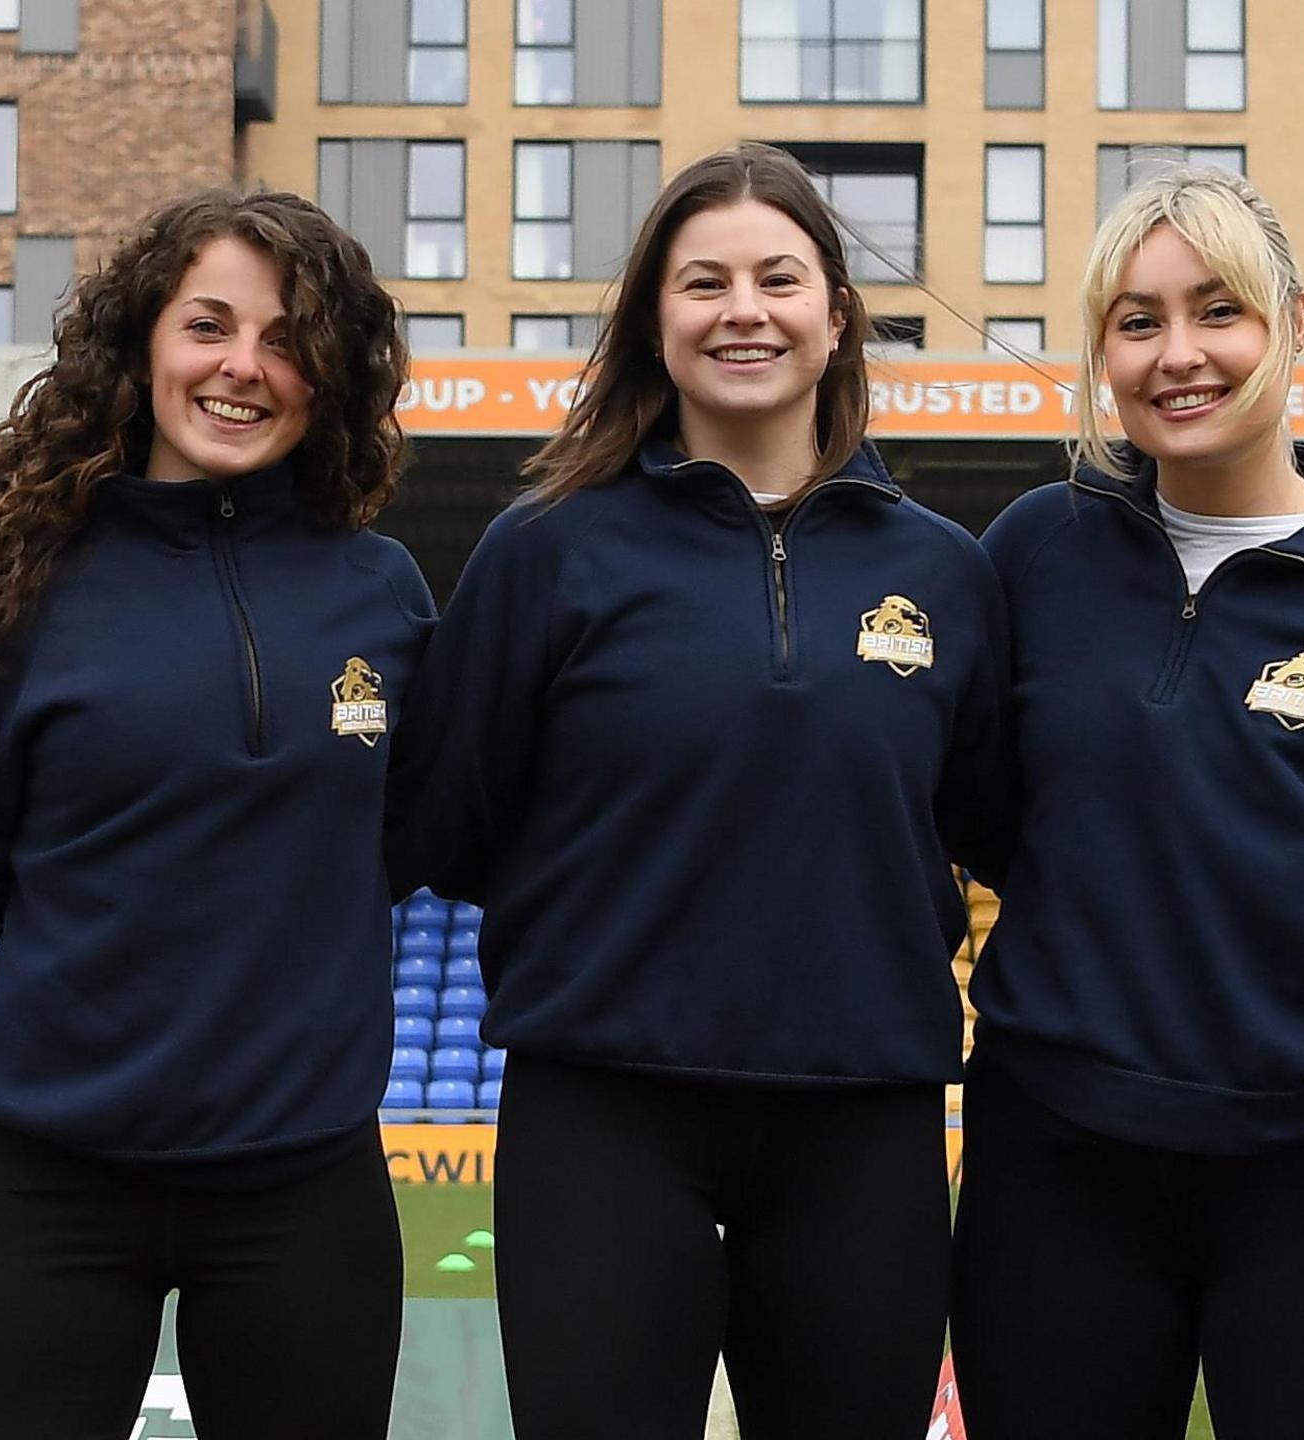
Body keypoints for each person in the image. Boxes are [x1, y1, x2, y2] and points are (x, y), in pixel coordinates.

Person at [386, 142, 1009, 1440]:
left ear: (837, 316)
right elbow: (441, 822)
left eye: (779, 278)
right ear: (653, 323)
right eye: (703, 282)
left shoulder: (946, 574)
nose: (744, 310)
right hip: (604, 1118)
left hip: (864, 1121)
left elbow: (1001, 820)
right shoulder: (545, 549)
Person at [0, 187, 432, 1437]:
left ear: (327, 377)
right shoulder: (17, 585)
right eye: (208, 326)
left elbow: (439, 828)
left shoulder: (381, 593)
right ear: (142, 345)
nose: (243, 367)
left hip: (306, 1189)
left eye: (286, 340)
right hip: (49, 1188)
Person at [950, 167, 1304, 1439]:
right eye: (1136, 321)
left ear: (1295, 322)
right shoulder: (1034, 552)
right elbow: (956, 803)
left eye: (1219, 311)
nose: (1178, 355)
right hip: (1052, 1180)